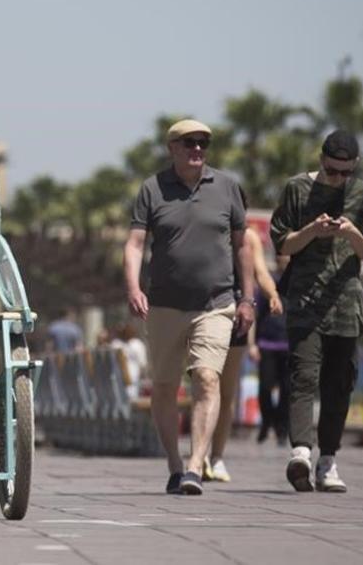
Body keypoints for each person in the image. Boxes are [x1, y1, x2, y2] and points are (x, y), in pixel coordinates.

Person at [123, 118, 254, 496]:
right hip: (163, 305)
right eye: (189, 143)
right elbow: (134, 244)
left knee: (207, 379)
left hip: (216, 303)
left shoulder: (228, 187)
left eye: (203, 143)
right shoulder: (152, 188)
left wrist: (247, 299)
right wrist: (134, 286)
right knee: (164, 388)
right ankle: (174, 464)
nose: (198, 149)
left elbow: (243, 246)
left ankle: (197, 465)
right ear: (173, 148)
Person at [270, 130, 363, 492]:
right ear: (321, 160)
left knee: (338, 386)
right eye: (333, 172)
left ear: (356, 167)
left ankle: (328, 461)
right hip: (305, 302)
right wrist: (311, 231)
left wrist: (351, 234)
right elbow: (283, 243)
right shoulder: (296, 189)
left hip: (346, 305)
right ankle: (301, 452)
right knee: (303, 376)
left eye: (346, 173)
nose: (339, 179)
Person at [206, 197, 282, 483]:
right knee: (205, 383)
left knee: (226, 392)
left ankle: (217, 457)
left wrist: (272, 294)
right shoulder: (207, 230)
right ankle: (199, 455)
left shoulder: (249, 236)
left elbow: (261, 271)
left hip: (235, 315)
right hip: (205, 311)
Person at [252, 256, 290, 445]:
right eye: (282, 258)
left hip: (289, 345)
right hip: (267, 343)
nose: (285, 261)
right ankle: (267, 421)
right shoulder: (268, 284)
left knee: (287, 389)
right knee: (265, 387)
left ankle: (282, 428)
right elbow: (255, 313)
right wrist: (252, 344)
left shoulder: (297, 283)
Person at [108, 323, 148, 400]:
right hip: (119, 380)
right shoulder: (116, 344)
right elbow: (143, 365)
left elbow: (142, 365)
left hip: (131, 380)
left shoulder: (137, 344)